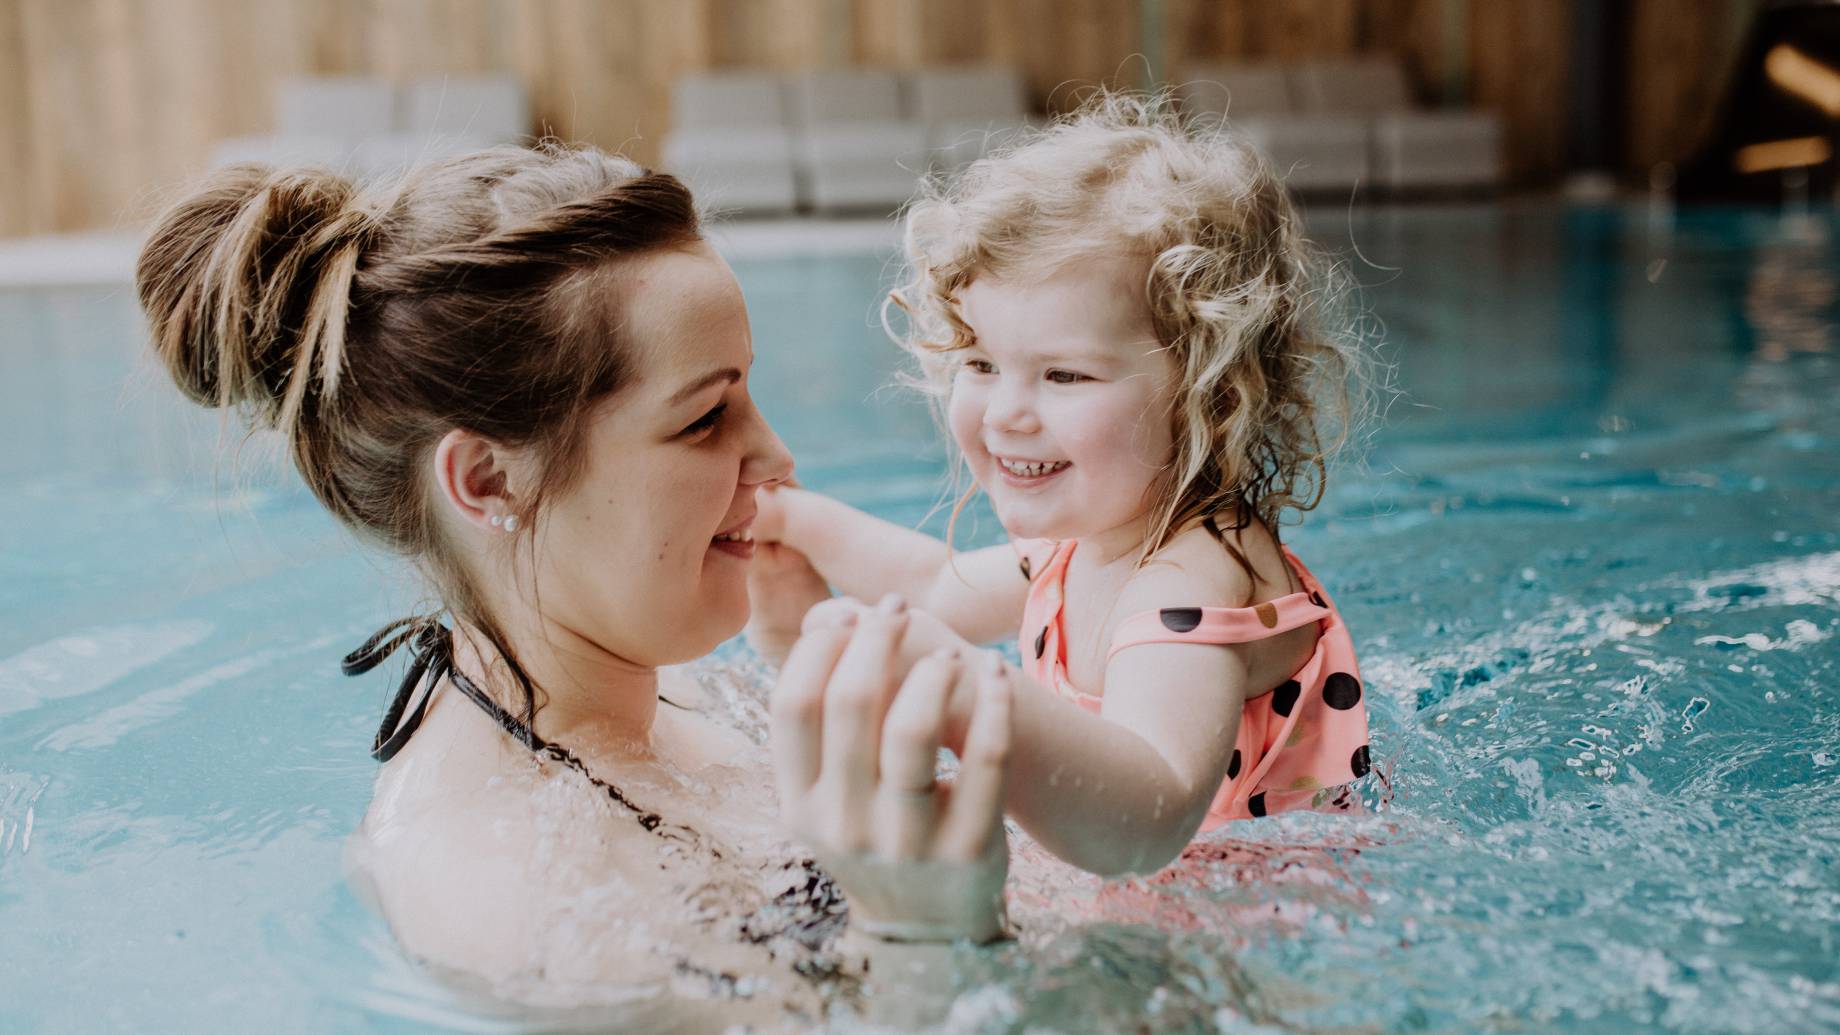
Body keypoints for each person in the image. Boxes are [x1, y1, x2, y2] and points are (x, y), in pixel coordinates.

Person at [134, 144, 1013, 1028]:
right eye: (706, 417)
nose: (775, 457)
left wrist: (798, 665)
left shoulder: (650, 685)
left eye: (747, 393)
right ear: (489, 479)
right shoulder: (531, 905)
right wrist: (925, 935)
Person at [747, 95, 1375, 879]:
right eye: (980, 363)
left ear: (1208, 396)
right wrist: (788, 520)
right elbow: (935, 590)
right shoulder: (1083, 542)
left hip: (1260, 915)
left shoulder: (1191, 577)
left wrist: (968, 689)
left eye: (1064, 375)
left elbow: (1147, 820)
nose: (1006, 413)